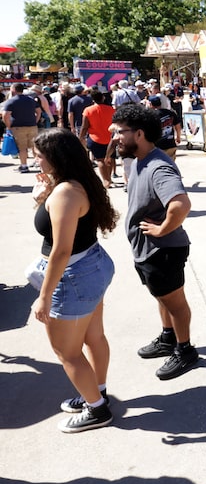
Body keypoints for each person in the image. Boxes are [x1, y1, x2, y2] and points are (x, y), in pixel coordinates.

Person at [30, 129, 118, 432]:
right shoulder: (75, 183)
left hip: (75, 275)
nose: (35, 160)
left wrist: (44, 295)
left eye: (39, 156)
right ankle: (97, 392)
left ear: (56, 158)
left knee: (67, 352)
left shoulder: (67, 192)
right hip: (91, 266)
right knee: (94, 337)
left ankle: (97, 410)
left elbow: (61, 250)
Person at [111, 104, 198, 381]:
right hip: (149, 250)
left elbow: (181, 204)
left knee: (175, 302)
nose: (115, 137)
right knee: (162, 296)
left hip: (163, 251)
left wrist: (162, 229)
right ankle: (168, 337)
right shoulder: (140, 159)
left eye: (119, 132)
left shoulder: (158, 166)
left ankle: (184, 350)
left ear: (139, 134)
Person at [79, 88, 116, 188]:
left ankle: (106, 180)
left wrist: (81, 137)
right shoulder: (111, 109)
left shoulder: (88, 110)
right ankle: (109, 178)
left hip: (95, 138)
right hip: (110, 138)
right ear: (103, 98)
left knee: (100, 160)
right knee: (110, 159)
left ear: (92, 99)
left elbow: (85, 126)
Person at [2, 82, 41, 172]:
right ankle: (39, 163)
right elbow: (38, 111)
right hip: (32, 126)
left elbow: (5, 115)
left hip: (18, 127)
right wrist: (36, 121)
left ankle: (24, 166)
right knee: (34, 146)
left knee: (22, 148)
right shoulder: (31, 100)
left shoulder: (11, 101)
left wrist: (8, 126)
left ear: (13, 90)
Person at [147, 94, 181, 160]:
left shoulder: (150, 115)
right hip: (170, 144)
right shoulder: (170, 113)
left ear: (150, 104)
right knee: (170, 166)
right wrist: (178, 137)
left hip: (157, 147)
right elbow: (178, 126)